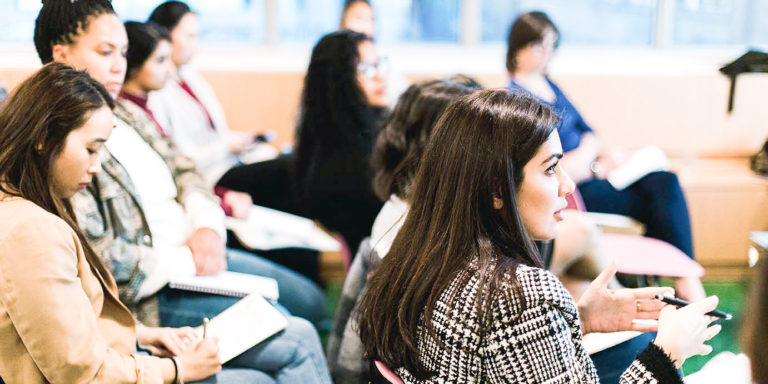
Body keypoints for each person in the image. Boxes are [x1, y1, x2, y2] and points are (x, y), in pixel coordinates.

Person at [33, 6, 331, 384]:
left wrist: (206, 227)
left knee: (309, 300)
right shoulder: (63, 142)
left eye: (123, 53)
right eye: (105, 52)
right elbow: (98, 261)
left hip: (195, 254)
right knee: (295, 335)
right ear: (61, 55)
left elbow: (186, 169)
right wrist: (186, 259)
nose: (119, 67)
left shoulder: (124, 111)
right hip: (155, 292)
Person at [356, 89, 721, 383]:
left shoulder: (412, 256)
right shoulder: (520, 294)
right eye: (550, 169)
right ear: (496, 189)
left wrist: (578, 318)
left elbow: (488, 350)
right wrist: (667, 355)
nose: (567, 185)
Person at [0, 62, 274, 384]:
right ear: (44, 138)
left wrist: (141, 335)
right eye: (90, 149)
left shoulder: (35, 205)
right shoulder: (30, 230)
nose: (96, 167)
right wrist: (178, 369)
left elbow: (64, 323)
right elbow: (82, 372)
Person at [505, 11, 705, 301]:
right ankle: (684, 280)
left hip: (592, 172)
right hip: (574, 189)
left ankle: (679, 278)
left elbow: (589, 133)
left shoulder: (549, 85)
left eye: (552, 46)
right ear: (519, 47)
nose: (547, 54)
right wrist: (592, 165)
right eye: (540, 45)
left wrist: (599, 160)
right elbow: (545, 164)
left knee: (663, 181)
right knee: (662, 198)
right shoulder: (516, 100)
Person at [147, 1, 272, 194]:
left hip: (228, 161)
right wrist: (225, 147)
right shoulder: (156, 91)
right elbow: (180, 158)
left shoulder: (190, 76)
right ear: (165, 35)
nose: (196, 46)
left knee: (272, 155)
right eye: (190, 37)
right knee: (287, 171)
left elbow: (215, 132)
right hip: (208, 174)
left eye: (197, 36)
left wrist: (238, 140)